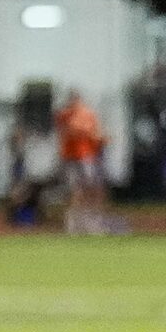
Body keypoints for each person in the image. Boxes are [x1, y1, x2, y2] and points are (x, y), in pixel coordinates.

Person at [55, 91, 107, 232]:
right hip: (70, 157)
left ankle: (92, 222)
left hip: (87, 155)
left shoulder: (88, 114)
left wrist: (99, 138)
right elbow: (69, 131)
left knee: (91, 188)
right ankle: (73, 223)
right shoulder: (64, 114)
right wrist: (84, 132)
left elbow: (94, 133)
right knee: (74, 190)